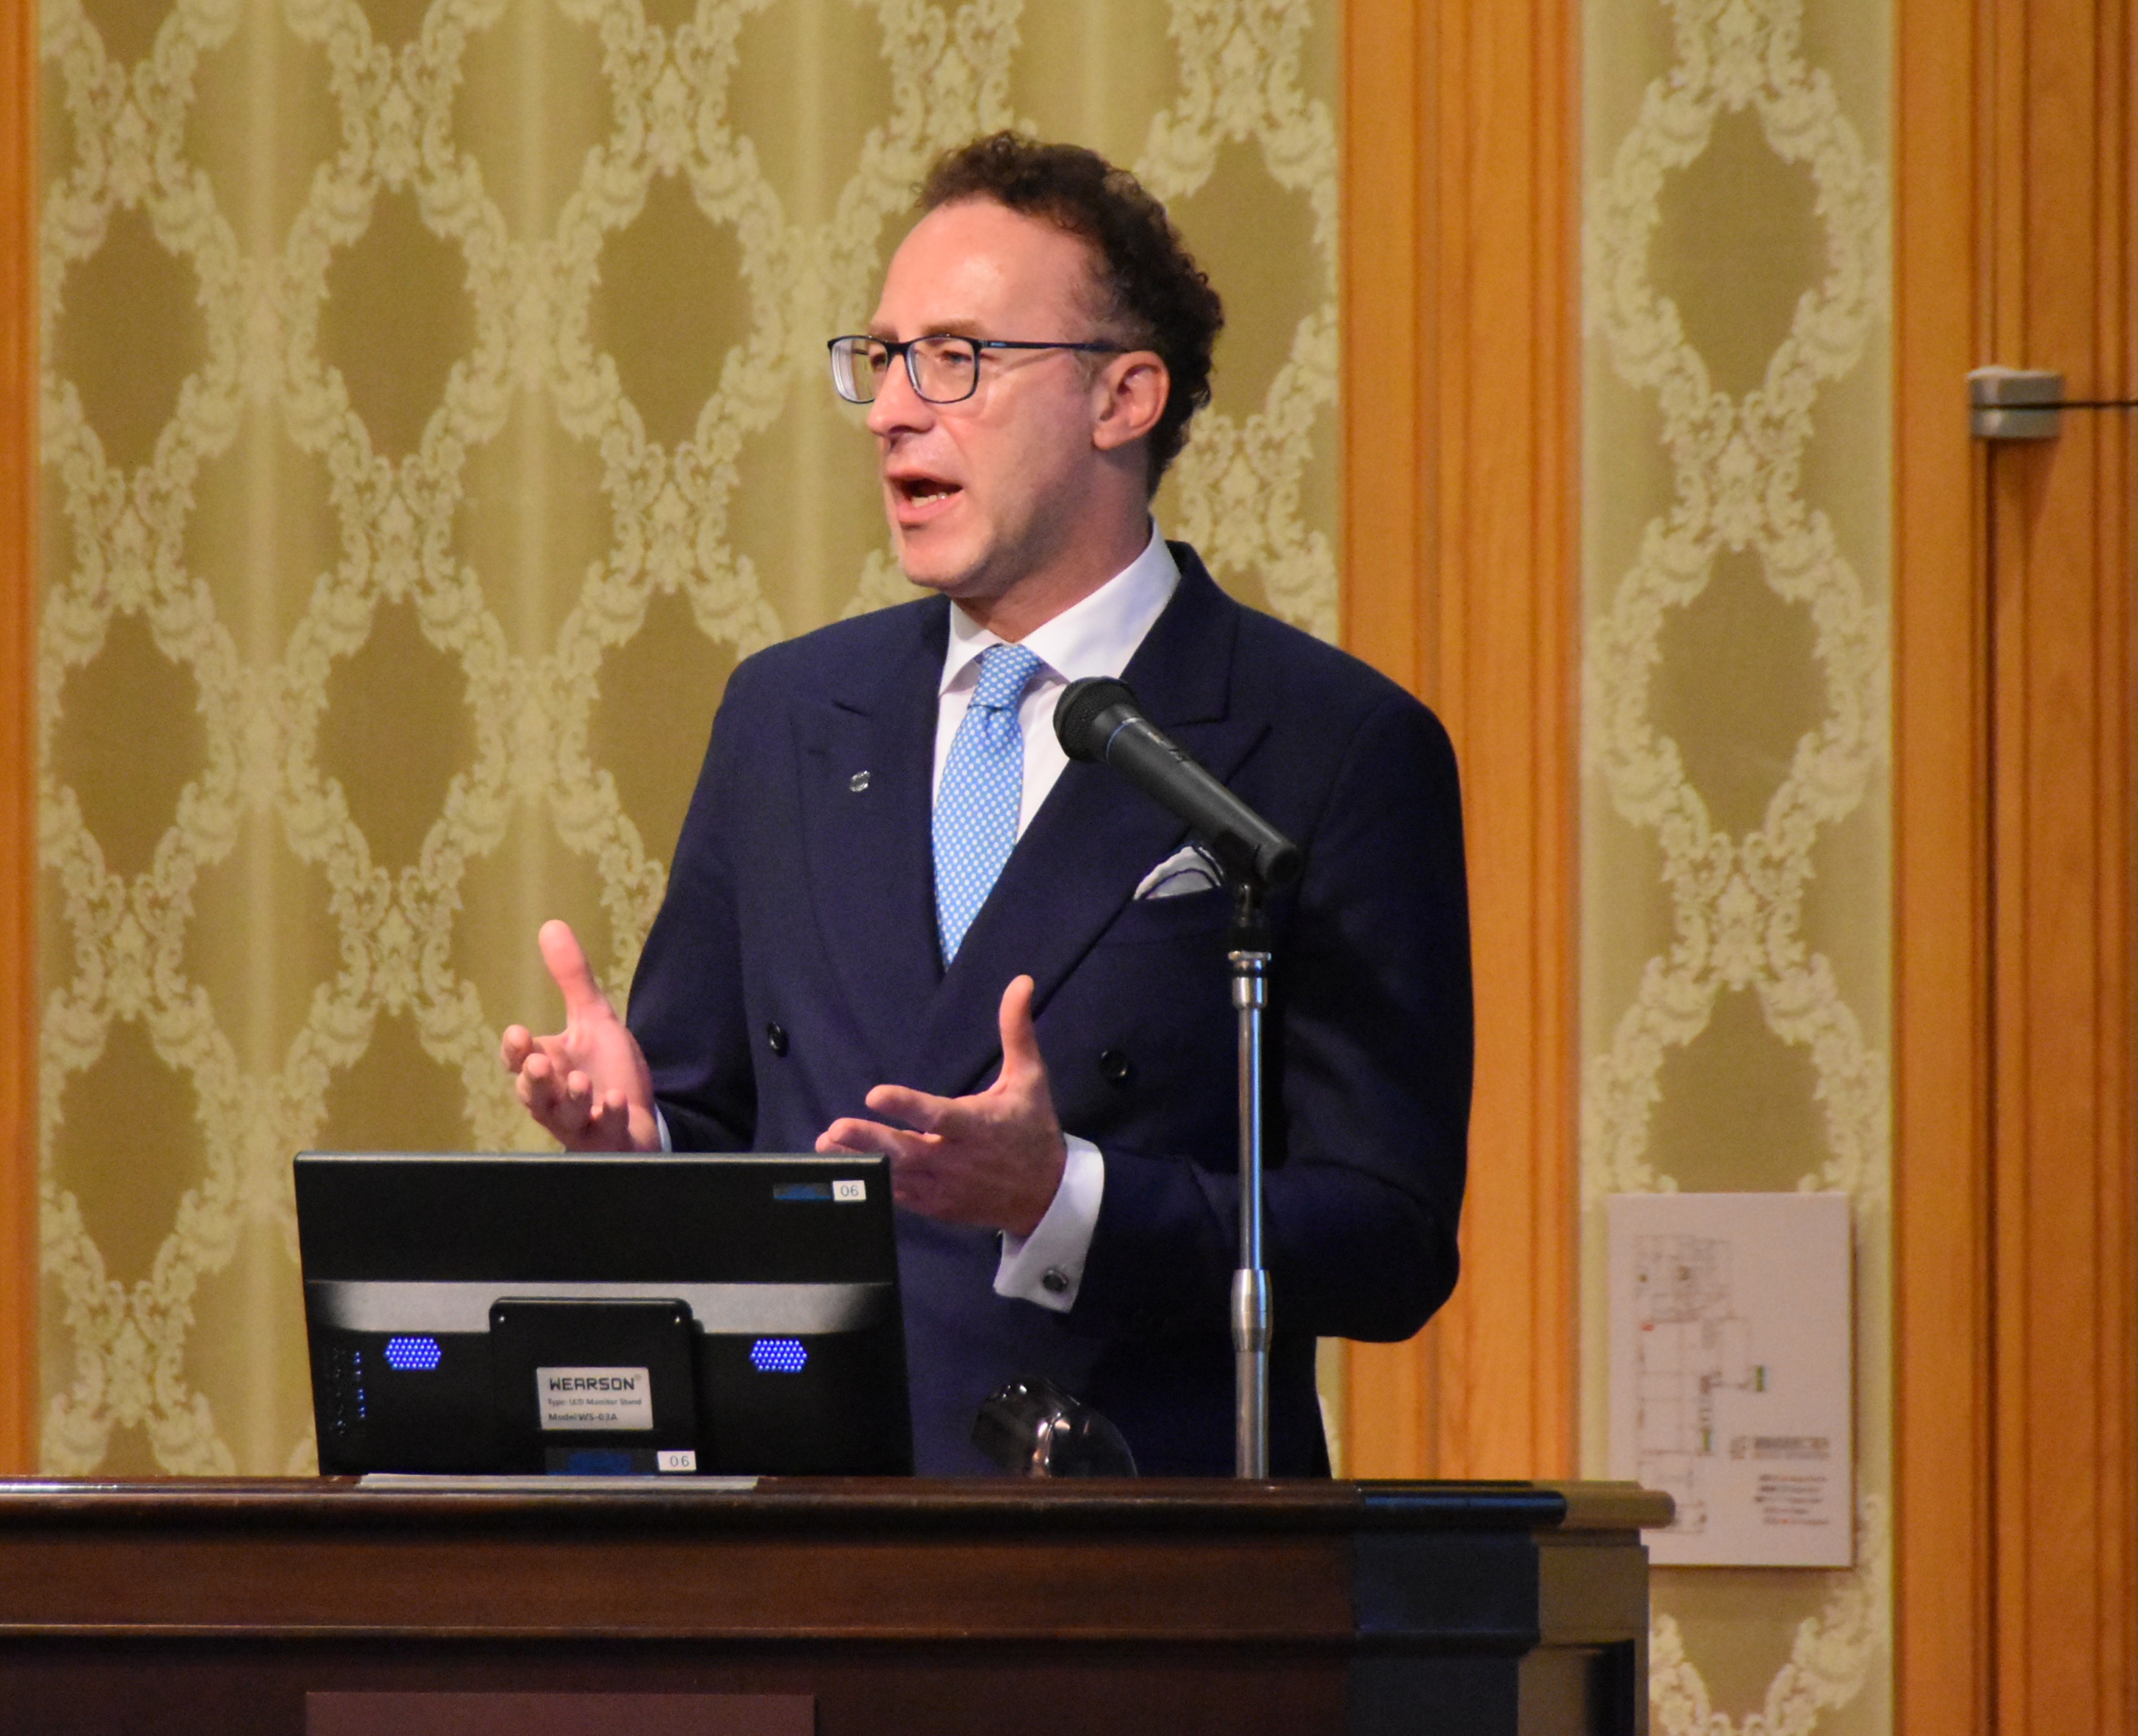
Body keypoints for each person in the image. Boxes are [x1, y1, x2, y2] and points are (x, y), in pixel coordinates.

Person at [498, 134, 1473, 1474]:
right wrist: (641, 1141)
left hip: (1135, 1548)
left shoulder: (1329, 743)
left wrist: (1063, 1198)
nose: (891, 412)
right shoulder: (788, 715)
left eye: (954, 359)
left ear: (1122, 397)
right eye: (881, 358)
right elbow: (722, 1128)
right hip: (807, 1527)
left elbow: (1386, 1238)